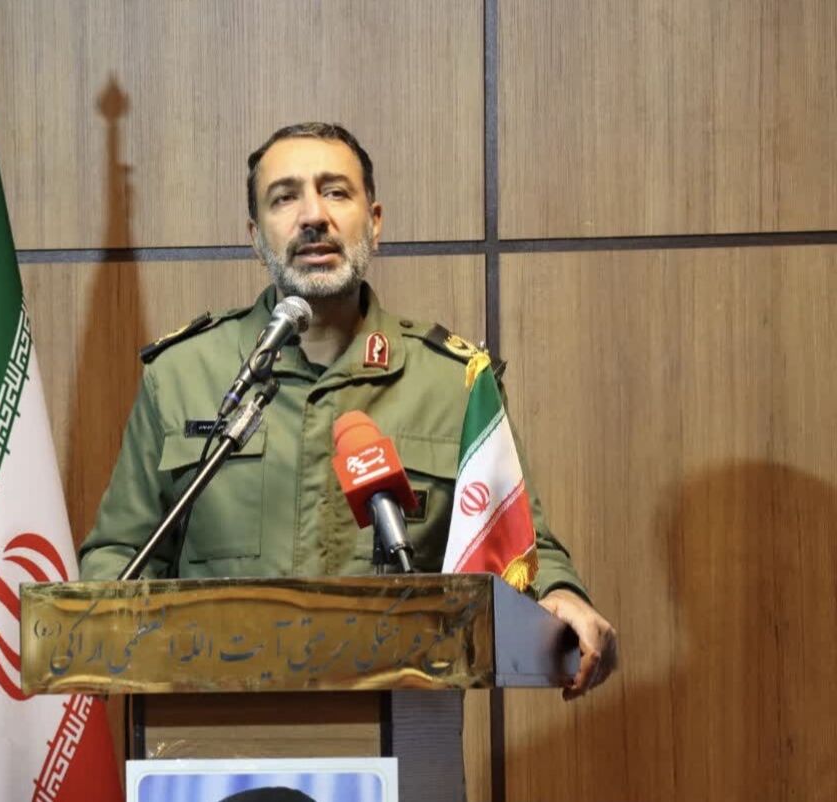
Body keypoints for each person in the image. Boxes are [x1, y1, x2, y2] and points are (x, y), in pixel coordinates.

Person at [78, 122, 617, 697]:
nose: (313, 216)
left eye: (335, 192)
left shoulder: (454, 384)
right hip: (213, 725)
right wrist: (98, 629)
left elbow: (520, 547)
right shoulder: (183, 375)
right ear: (255, 236)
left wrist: (562, 595)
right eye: (285, 198)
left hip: (397, 724)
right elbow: (120, 553)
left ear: (375, 222)